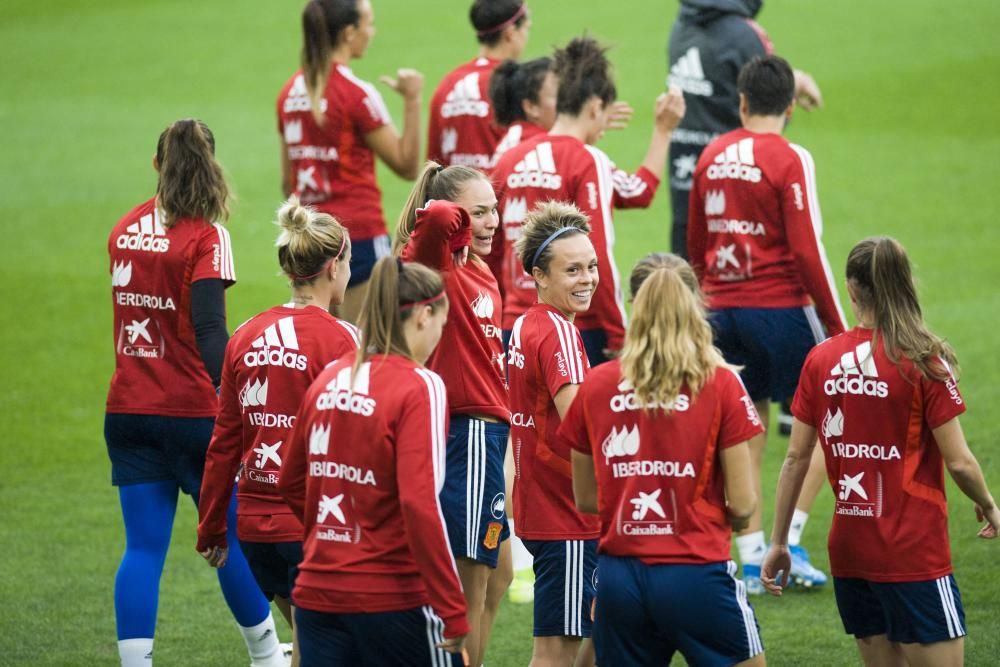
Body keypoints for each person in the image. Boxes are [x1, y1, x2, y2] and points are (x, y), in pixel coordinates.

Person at [761, 236, 1000, 666]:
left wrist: (779, 541)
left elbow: (796, 459)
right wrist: (987, 503)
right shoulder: (924, 361)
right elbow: (960, 461)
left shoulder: (821, 359)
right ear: (904, 283)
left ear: (851, 290)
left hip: (851, 551)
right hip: (913, 555)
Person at [105, 119, 285, 667]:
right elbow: (209, 331)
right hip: (193, 417)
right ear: (211, 166)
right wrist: (240, 398)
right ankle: (267, 656)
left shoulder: (122, 229)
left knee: (141, 549)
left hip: (127, 410)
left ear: (156, 165)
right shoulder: (208, 236)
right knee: (225, 540)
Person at [687, 54, 844, 592]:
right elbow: (807, 250)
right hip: (781, 309)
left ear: (743, 102)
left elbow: (695, 243)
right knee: (834, 421)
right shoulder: (790, 156)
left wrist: (702, 306)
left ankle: (752, 558)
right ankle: (790, 539)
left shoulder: (711, 154)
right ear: (791, 105)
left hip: (719, 310)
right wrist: (839, 326)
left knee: (743, 430)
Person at [560, 257, 766, 667]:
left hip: (619, 579)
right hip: (696, 573)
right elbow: (743, 504)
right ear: (694, 306)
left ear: (634, 305)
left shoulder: (598, 383)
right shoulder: (720, 382)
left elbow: (585, 499)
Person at [277, 258, 469, 666]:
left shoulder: (329, 377)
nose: (440, 335)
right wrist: (452, 607)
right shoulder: (422, 385)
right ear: (422, 315)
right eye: (442, 322)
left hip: (317, 593)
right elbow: (420, 503)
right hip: (392, 598)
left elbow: (290, 480)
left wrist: (336, 538)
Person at [196, 197, 361, 666]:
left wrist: (211, 527)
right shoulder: (342, 339)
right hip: (314, 525)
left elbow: (224, 441)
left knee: (314, 642)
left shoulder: (245, 334)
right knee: (338, 646)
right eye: (349, 264)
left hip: (255, 530)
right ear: (333, 267)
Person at [493, 36, 685, 367]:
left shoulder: (509, 159)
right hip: (575, 326)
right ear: (596, 107)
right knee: (582, 419)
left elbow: (492, 248)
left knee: (525, 418)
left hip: (515, 324)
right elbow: (597, 251)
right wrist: (620, 333)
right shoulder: (587, 160)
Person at [393, 165, 510, 667]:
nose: (492, 221)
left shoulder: (479, 269)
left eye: (493, 209)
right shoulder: (435, 267)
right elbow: (437, 215)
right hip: (467, 435)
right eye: (478, 212)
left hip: (490, 440)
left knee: (499, 575)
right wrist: (455, 220)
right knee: (469, 583)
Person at [277, 0, 423, 323]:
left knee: (318, 347)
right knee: (368, 349)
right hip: (357, 242)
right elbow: (407, 164)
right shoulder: (356, 93)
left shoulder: (289, 94)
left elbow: (289, 183)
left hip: (308, 239)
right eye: (368, 24)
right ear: (348, 33)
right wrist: (412, 100)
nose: (372, 32)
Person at [506, 201, 600, 666]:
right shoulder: (559, 333)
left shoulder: (525, 324)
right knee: (554, 655)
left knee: (604, 631)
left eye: (592, 267)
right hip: (567, 515)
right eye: (573, 270)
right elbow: (582, 421)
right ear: (540, 276)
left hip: (544, 506)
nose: (587, 279)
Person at [666, 0, 823, 259]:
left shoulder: (682, 26)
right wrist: (792, 87)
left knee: (686, 269)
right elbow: (767, 104)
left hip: (684, 172)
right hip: (735, 180)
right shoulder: (746, 36)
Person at [426, 0, 530, 169]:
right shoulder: (515, 83)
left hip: (450, 193)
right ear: (510, 33)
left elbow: (432, 164)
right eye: (526, 28)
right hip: (495, 193)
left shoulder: (448, 83)